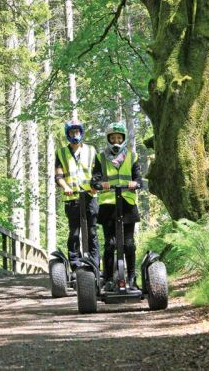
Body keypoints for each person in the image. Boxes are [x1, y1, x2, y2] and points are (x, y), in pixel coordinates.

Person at [91, 121, 142, 290]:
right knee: (110, 243)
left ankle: (132, 278)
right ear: (108, 139)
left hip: (127, 203)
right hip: (108, 205)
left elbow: (138, 178)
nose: (115, 141)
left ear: (123, 139)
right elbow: (95, 179)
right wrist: (99, 184)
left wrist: (136, 183)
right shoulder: (100, 157)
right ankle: (108, 279)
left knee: (129, 243)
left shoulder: (132, 156)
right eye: (112, 138)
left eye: (119, 138)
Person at [54, 118, 100, 272]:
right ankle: (76, 265)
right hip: (72, 198)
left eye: (77, 131)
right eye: (72, 132)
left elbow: (98, 172)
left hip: (89, 196)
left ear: (81, 133)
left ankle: (94, 264)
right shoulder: (61, 153)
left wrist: (96, 184)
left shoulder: (91, 150)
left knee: (92, 232)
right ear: (68, 134)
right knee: (74, 233)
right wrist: (65, 186)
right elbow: (58, 176)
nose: (75, 134)